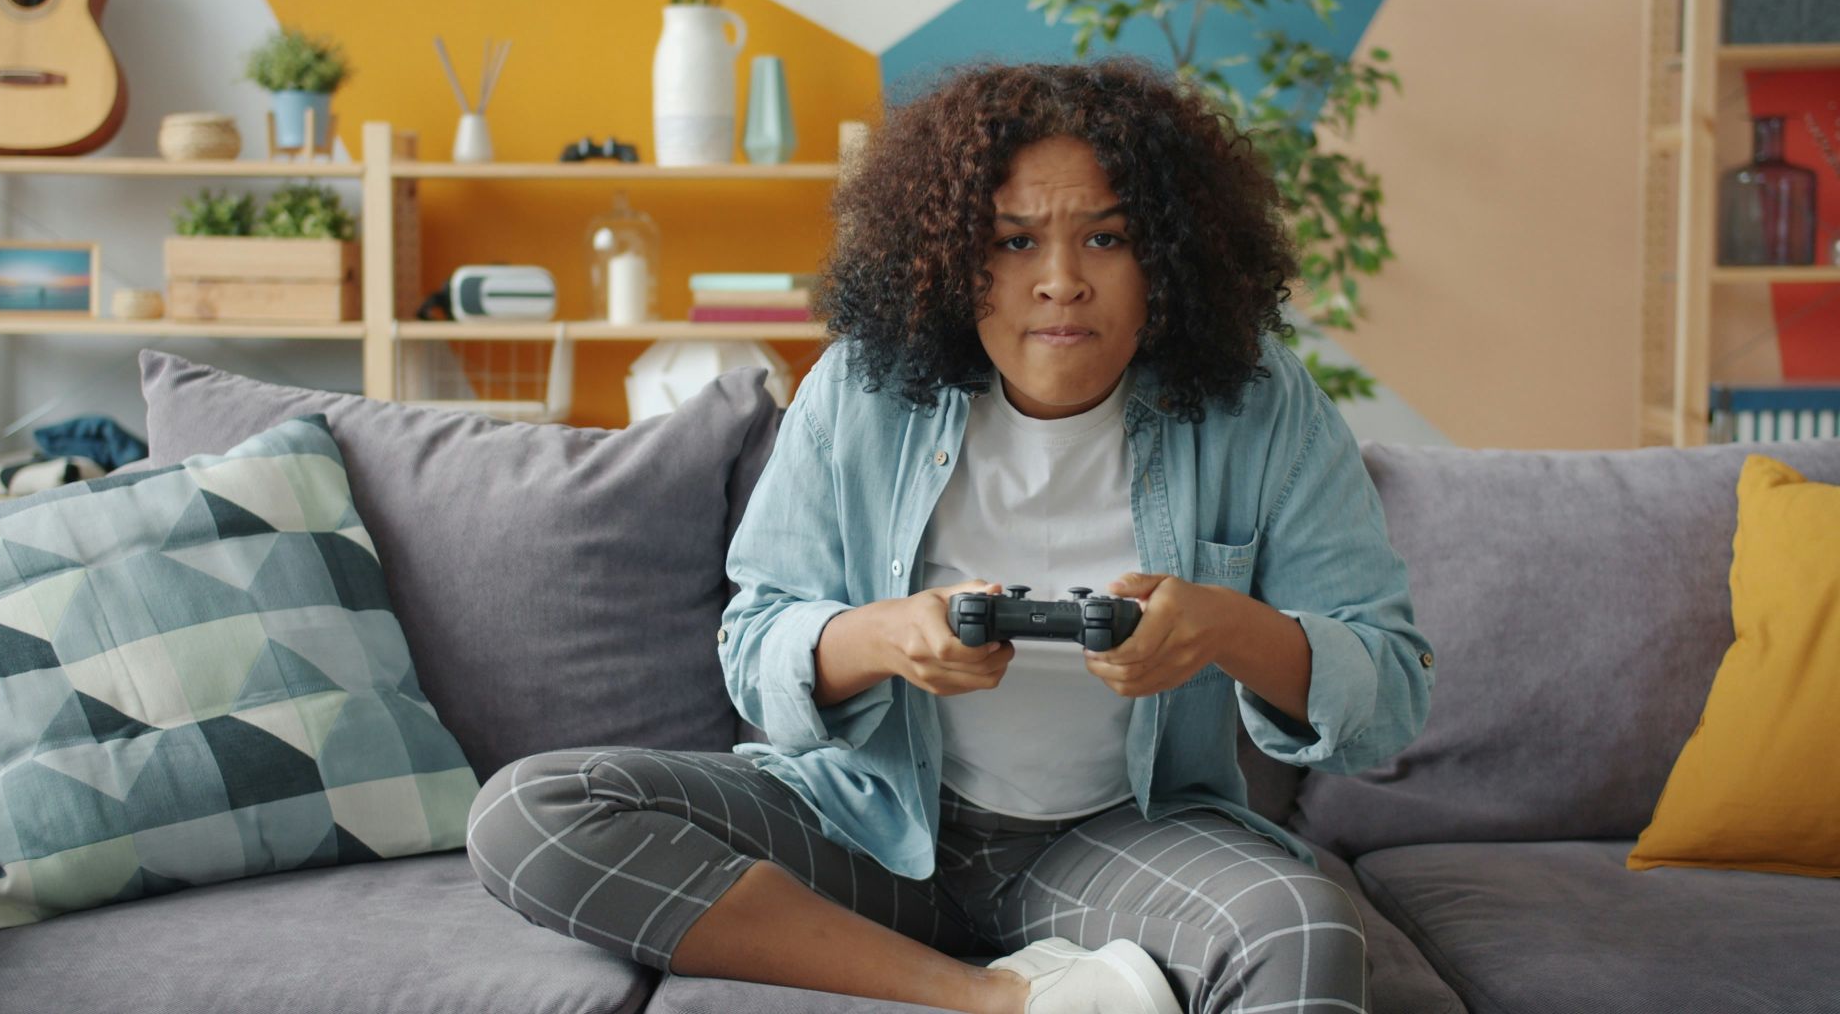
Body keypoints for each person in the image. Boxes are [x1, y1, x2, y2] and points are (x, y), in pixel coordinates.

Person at [467, 56, 1434, 1014]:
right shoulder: (861, 387)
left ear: (1171, 260)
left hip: (1119, 841)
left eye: (1107, 237)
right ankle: (995, 996)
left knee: (1303, 929)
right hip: (865, 824)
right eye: (1014, 242)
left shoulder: (1260, 403)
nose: (1061, 283)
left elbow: (1390, 689)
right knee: (531, 813)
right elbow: (753, 644)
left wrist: (1226, 629)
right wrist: (885, 638)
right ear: (949, 257)